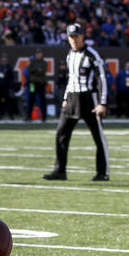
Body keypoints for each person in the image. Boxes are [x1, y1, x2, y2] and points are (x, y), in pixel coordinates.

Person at [43, 23, 110, 182]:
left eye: (76, 36)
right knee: (61, 133)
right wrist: (66, 98)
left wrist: (102, 103)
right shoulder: (69, 55)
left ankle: (103, 172)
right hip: (72, 98)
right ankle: (60, 170)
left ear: (82, 36)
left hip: (89, 99)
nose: (73, 39)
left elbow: (102, 79)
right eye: (71, 36)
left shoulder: (91, 54)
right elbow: (71, 79)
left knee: (98, 137)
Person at [25, 48, 48, 122]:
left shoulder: (44, 62)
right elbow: (28, 70)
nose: (38, 55)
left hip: (41, 83)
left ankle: (44, 117)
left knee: (42, 100)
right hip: (32, 84)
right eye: (37, 53)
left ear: (41, 54)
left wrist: (35, 70)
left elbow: (42, 71)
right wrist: (37, 69)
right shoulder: (32, 62)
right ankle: (28, 116)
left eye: (39, 53)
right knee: (31, 100)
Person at [0, 54, 17, 120]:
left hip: (6, 87)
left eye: (5, 58)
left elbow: (12, 77)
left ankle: (10, 115)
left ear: (7, 59)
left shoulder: (8, 67)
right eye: (3, 58)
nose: (4, 59)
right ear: (1, 59)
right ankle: (1, 115)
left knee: (8, 101)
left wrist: (9, 84)